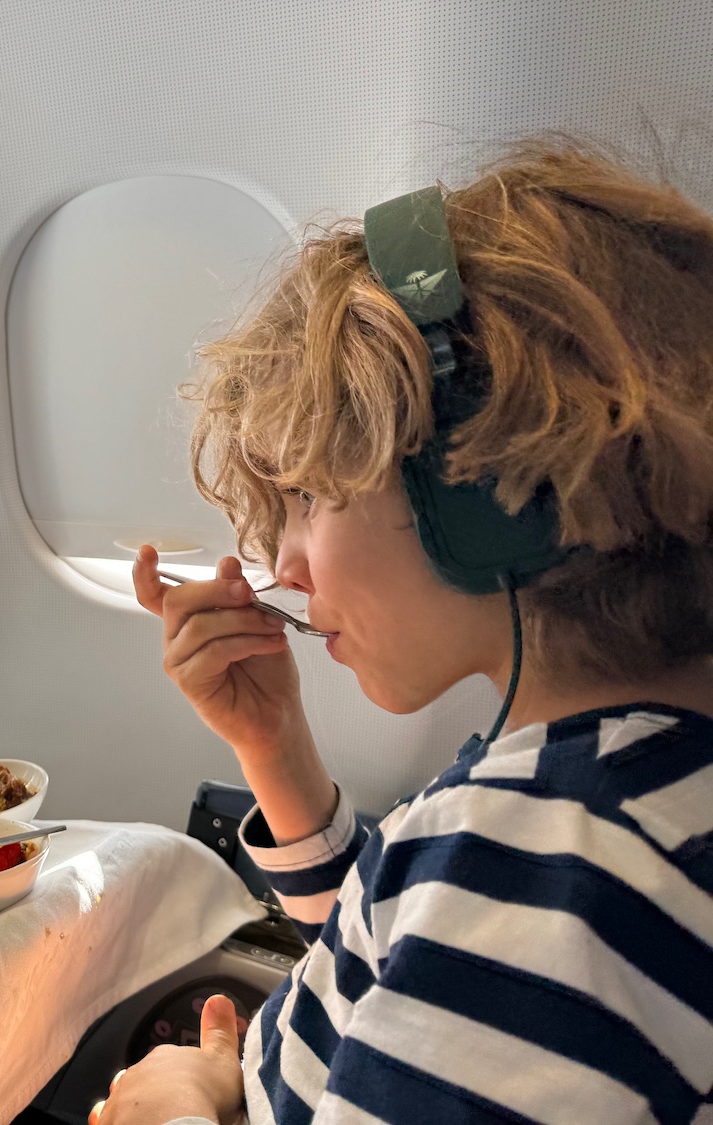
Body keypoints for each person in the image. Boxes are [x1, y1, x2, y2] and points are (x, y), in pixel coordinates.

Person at [93, 141, 713, 1124]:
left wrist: (186, 1106)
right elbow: (417, 962)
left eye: (305, 496)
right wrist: (274, 748)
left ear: (478, 487)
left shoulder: (550, 861)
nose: (283, 566)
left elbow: (471, 949)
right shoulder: (614, 804)